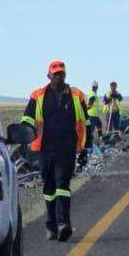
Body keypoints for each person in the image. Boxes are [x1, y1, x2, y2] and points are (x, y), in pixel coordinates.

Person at [19, 60, 91, 242]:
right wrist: (22, 137)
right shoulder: (38, 96)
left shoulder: (77, 95)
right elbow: (27, 118)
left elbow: (86, 122)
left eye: (61, 73)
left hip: (67, 148)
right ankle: (51, 225)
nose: (59, 76)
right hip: (45, 149)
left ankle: (63, 224)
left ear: (65, 74)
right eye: (55, 73)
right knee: (49, 188)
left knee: (63, 185)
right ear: (49, 76)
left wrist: (86, 148)